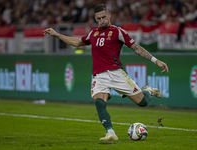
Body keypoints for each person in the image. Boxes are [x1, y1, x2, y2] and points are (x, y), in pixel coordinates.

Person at [43, 4, 169, 141]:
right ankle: (111, 133)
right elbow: (77, 42)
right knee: (99, 102)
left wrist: (155, 61)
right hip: (99, 76)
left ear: (109, 15)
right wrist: (56, 34)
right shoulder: (93, 33)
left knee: (143, 102)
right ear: (95, 19)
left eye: (104, 17)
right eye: (98, 19)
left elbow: (136, 48)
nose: (102, 20)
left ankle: (148, 91)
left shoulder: (118, 32)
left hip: (116, 73)